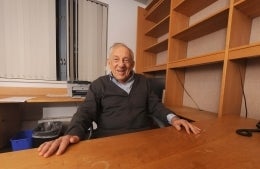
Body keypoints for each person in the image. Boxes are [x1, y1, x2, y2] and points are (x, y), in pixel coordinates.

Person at [38, 42, 201, 158]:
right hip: (110, 143)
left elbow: (156, 106)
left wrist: (174, 119)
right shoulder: (98, 85)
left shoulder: (143, 82)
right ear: (108, 63)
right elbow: (85, 112)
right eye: (116, 59)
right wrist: (71, 133)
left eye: (126, 60)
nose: (121, 65)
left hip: (144, 141)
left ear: (133, 64)